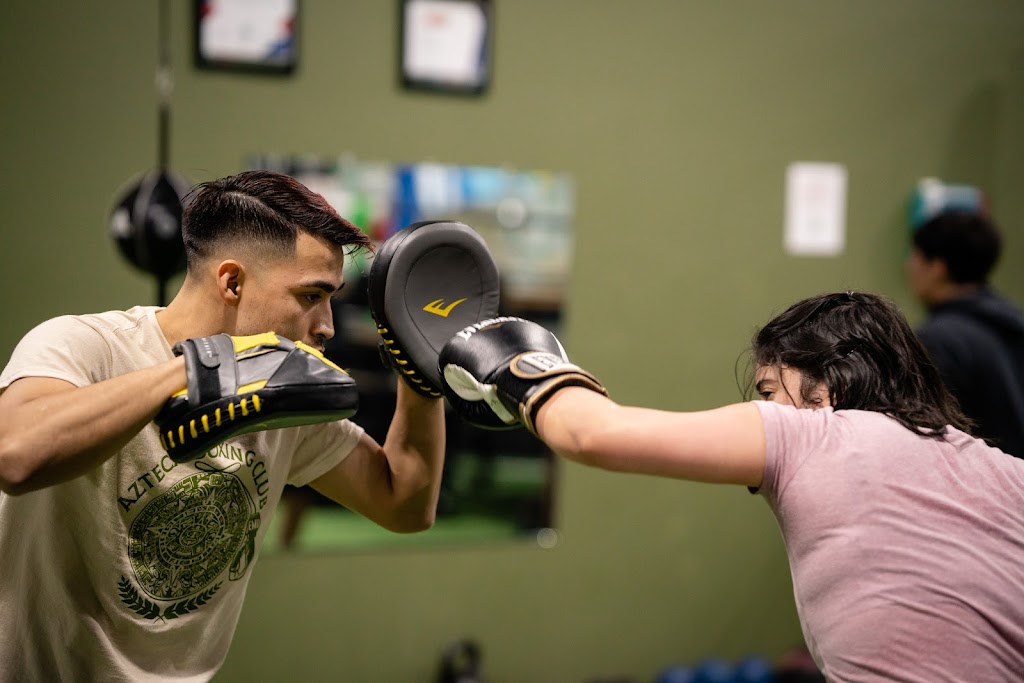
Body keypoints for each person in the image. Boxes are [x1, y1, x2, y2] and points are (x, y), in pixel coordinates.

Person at [438, 291, 1024, 681]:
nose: (763, 408)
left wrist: (513, 359)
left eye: (769, 390)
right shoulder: (1005, 470)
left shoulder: (815, 433)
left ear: (831, 383)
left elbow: (593, 433)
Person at [0, 170, 446, 680]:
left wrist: (420, 373)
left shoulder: (282, 392)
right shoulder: (84, 346)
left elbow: (404, 504)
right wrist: (194, 371)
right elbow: (15, 454)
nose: (326, 325)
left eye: (331, 299)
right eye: (309, 297)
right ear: (231, 281)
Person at [906, 209, 1024, 457]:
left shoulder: (939, 340)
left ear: (937, 267)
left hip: (984, 486)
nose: (908, 267)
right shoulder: (1011, 322)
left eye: (914, 257)